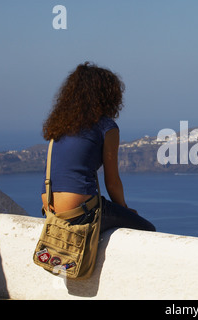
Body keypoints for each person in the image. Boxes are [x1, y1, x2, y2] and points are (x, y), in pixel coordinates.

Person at [41, 62, 155, 233]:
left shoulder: (60, 125)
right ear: (108, 95)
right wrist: (124, 209)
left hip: (51, 209)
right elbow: (112, 182)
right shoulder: (106, 127)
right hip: (79, 211)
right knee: (147, 229)